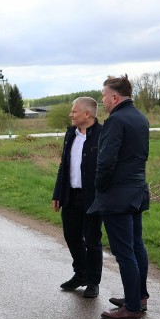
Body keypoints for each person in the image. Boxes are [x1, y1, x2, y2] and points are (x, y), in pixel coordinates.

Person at [89, 75, 150, 319]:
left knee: (125, 252)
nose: (102, 100)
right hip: (137, 191)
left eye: (103, 95)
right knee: (137, 245)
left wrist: (100, 187)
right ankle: (139, 297)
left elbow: (106, 160)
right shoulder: (139, 117)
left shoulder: (115, 121)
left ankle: (132, 308)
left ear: (114, 97)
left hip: (117, 195)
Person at [52, 97, 103, 298]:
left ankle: (93, 282)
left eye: (74, 111)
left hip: (92, 197)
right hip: (71, 195)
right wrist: (57, 194)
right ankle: (80, 274)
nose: (71, 115)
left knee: (92, 240)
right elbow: (63, 167)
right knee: (71, 237)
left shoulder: (102, 135)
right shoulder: (70, 135)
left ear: (87, 114)